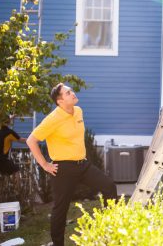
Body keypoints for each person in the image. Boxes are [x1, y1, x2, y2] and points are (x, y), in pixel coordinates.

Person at [26, 83, 117, 246]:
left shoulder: (78, 111)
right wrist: (45, 165)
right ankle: (57, 244)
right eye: (68, 93)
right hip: (63, 169)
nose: (73, 93)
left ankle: (111, 230)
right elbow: (31, 140)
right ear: (60, 101)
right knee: (61, 209)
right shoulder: (53, 119)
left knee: (109, 186)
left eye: (72, 91)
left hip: (82, 165)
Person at [0, 115, 26, 181]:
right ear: (9, 122)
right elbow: (21, 140)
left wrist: (10, 118)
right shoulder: (9, 133)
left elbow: (3, 122)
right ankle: (17, 190)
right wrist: (34, 140)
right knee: (16, 171)